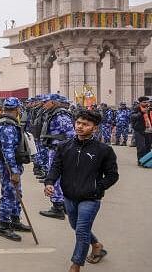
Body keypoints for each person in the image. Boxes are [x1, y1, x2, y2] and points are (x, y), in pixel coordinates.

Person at [45, 110, 119, 272]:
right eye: (78, 123)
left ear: (95, 128)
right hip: (69, 197)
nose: (80, 127)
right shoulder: (64, 146)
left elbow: (113, 175)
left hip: (90, 198)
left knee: (81, 231)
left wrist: (97, 188)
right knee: (75, 226)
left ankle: (75, 265)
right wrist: (49, 182)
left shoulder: (103, 150)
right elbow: (56, 167)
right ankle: (97, 245)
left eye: (85, 124)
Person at [0, 97, 33, 242]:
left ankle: (15, 220)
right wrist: (13, 171)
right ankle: (3, 225)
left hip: (12, 165)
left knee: (17, 194)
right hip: (8, 166)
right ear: (17, 110)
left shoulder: (8, 122)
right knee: (9, 194)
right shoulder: (7, 126)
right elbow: (7, 151)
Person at [39, 94, 75, 219]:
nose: (43, 104)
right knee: (58, 177)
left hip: (58, 150)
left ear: (53, 102)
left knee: (54, 177)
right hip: (56, 149)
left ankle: (57, 207)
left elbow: (70, 134)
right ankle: (62, 205)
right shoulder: (53, 113)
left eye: (46, 102)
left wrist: (66, 150)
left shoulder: (61, 115)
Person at [130, 96, 152, 166]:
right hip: (139, 130)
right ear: (140, 103)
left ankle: (147, 161)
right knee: (141, 147)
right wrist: (142, 113)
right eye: (144, 102)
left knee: (148, 147)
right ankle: (140, 161)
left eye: (147, 102)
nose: (146, 104)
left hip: (149, 130)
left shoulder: (150, 108)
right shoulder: (136, 108)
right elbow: (133, 117)